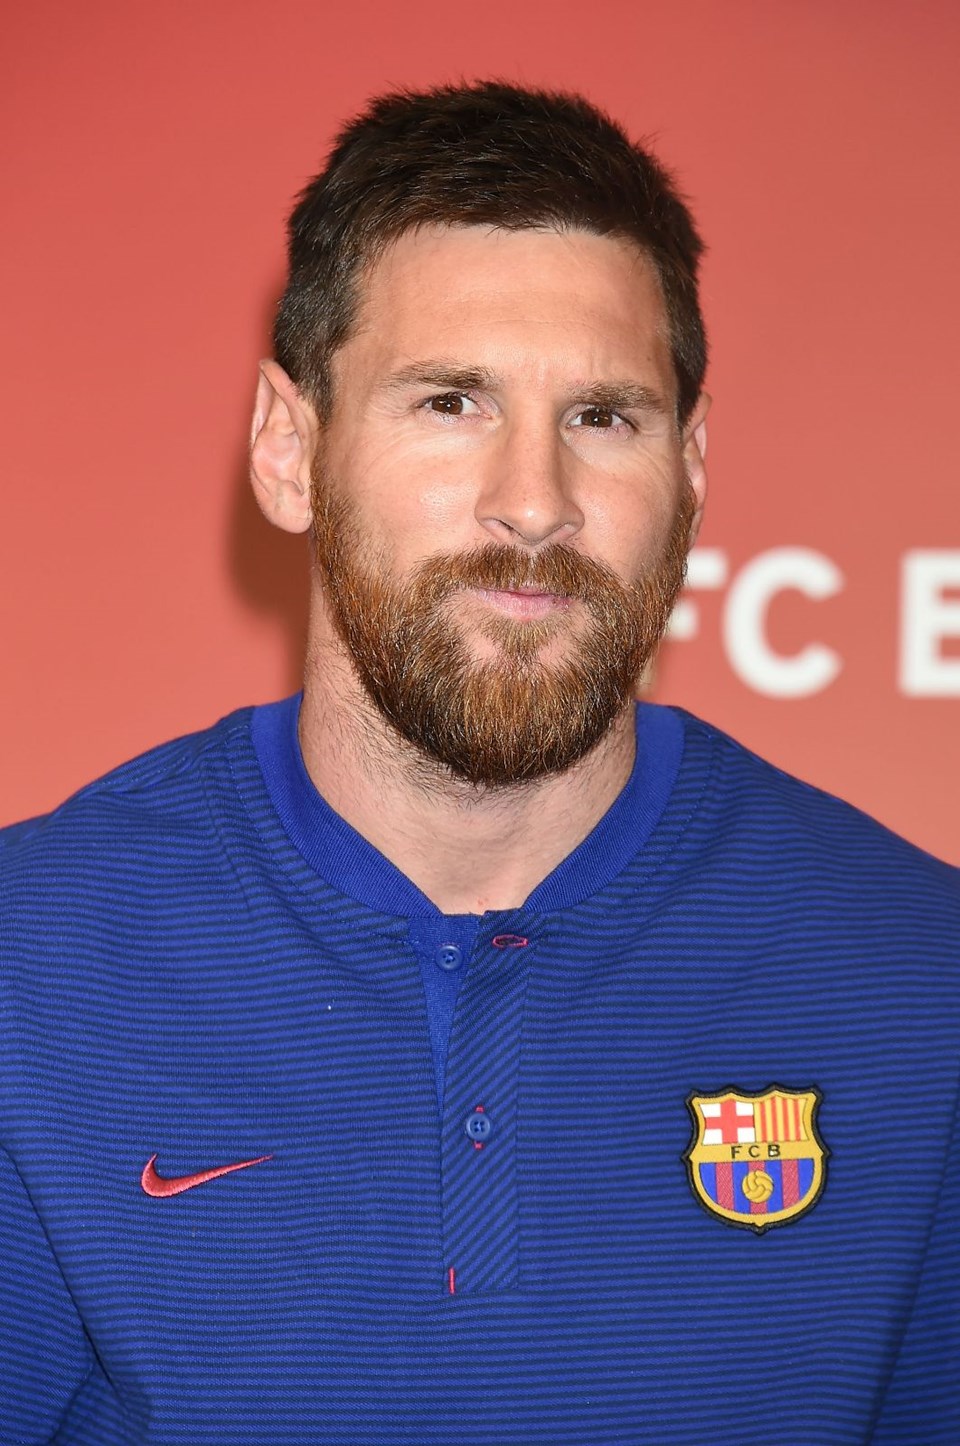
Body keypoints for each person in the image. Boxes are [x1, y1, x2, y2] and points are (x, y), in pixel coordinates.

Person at [1, 80, 957, 1446]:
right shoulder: (34, 966)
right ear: (288, 448)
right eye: (451, 402)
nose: (533, 501)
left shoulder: (920, 978)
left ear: (692, 466)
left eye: (604, 417)